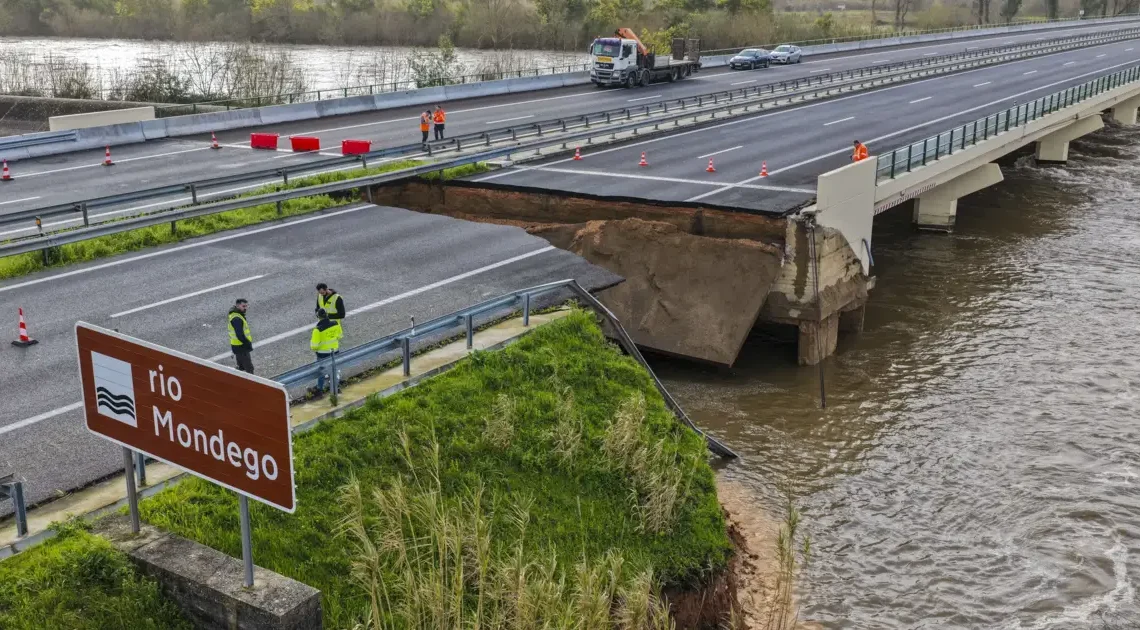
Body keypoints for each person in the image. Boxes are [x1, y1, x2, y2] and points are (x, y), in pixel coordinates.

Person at [309, 308, 343, 394]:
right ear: (327, 314)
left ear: (318, 316)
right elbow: (340, 336)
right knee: (335, 369)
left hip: (322, 354)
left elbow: (314, 346)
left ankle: (319, 388)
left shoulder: (317, 330)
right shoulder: (336, 323)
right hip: (335, 351)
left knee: (321, 370)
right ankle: (336, 386)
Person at [228, 298, 254, 374]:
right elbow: (240, 335)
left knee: (241, 367)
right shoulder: (237, 318)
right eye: (243, 306)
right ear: (237, 306)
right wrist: (247, 343)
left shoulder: (235, 314)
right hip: (241, 346)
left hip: (237, 346)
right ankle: (251, 384)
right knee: (249, 368)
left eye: (246, 306)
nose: (245, 308)